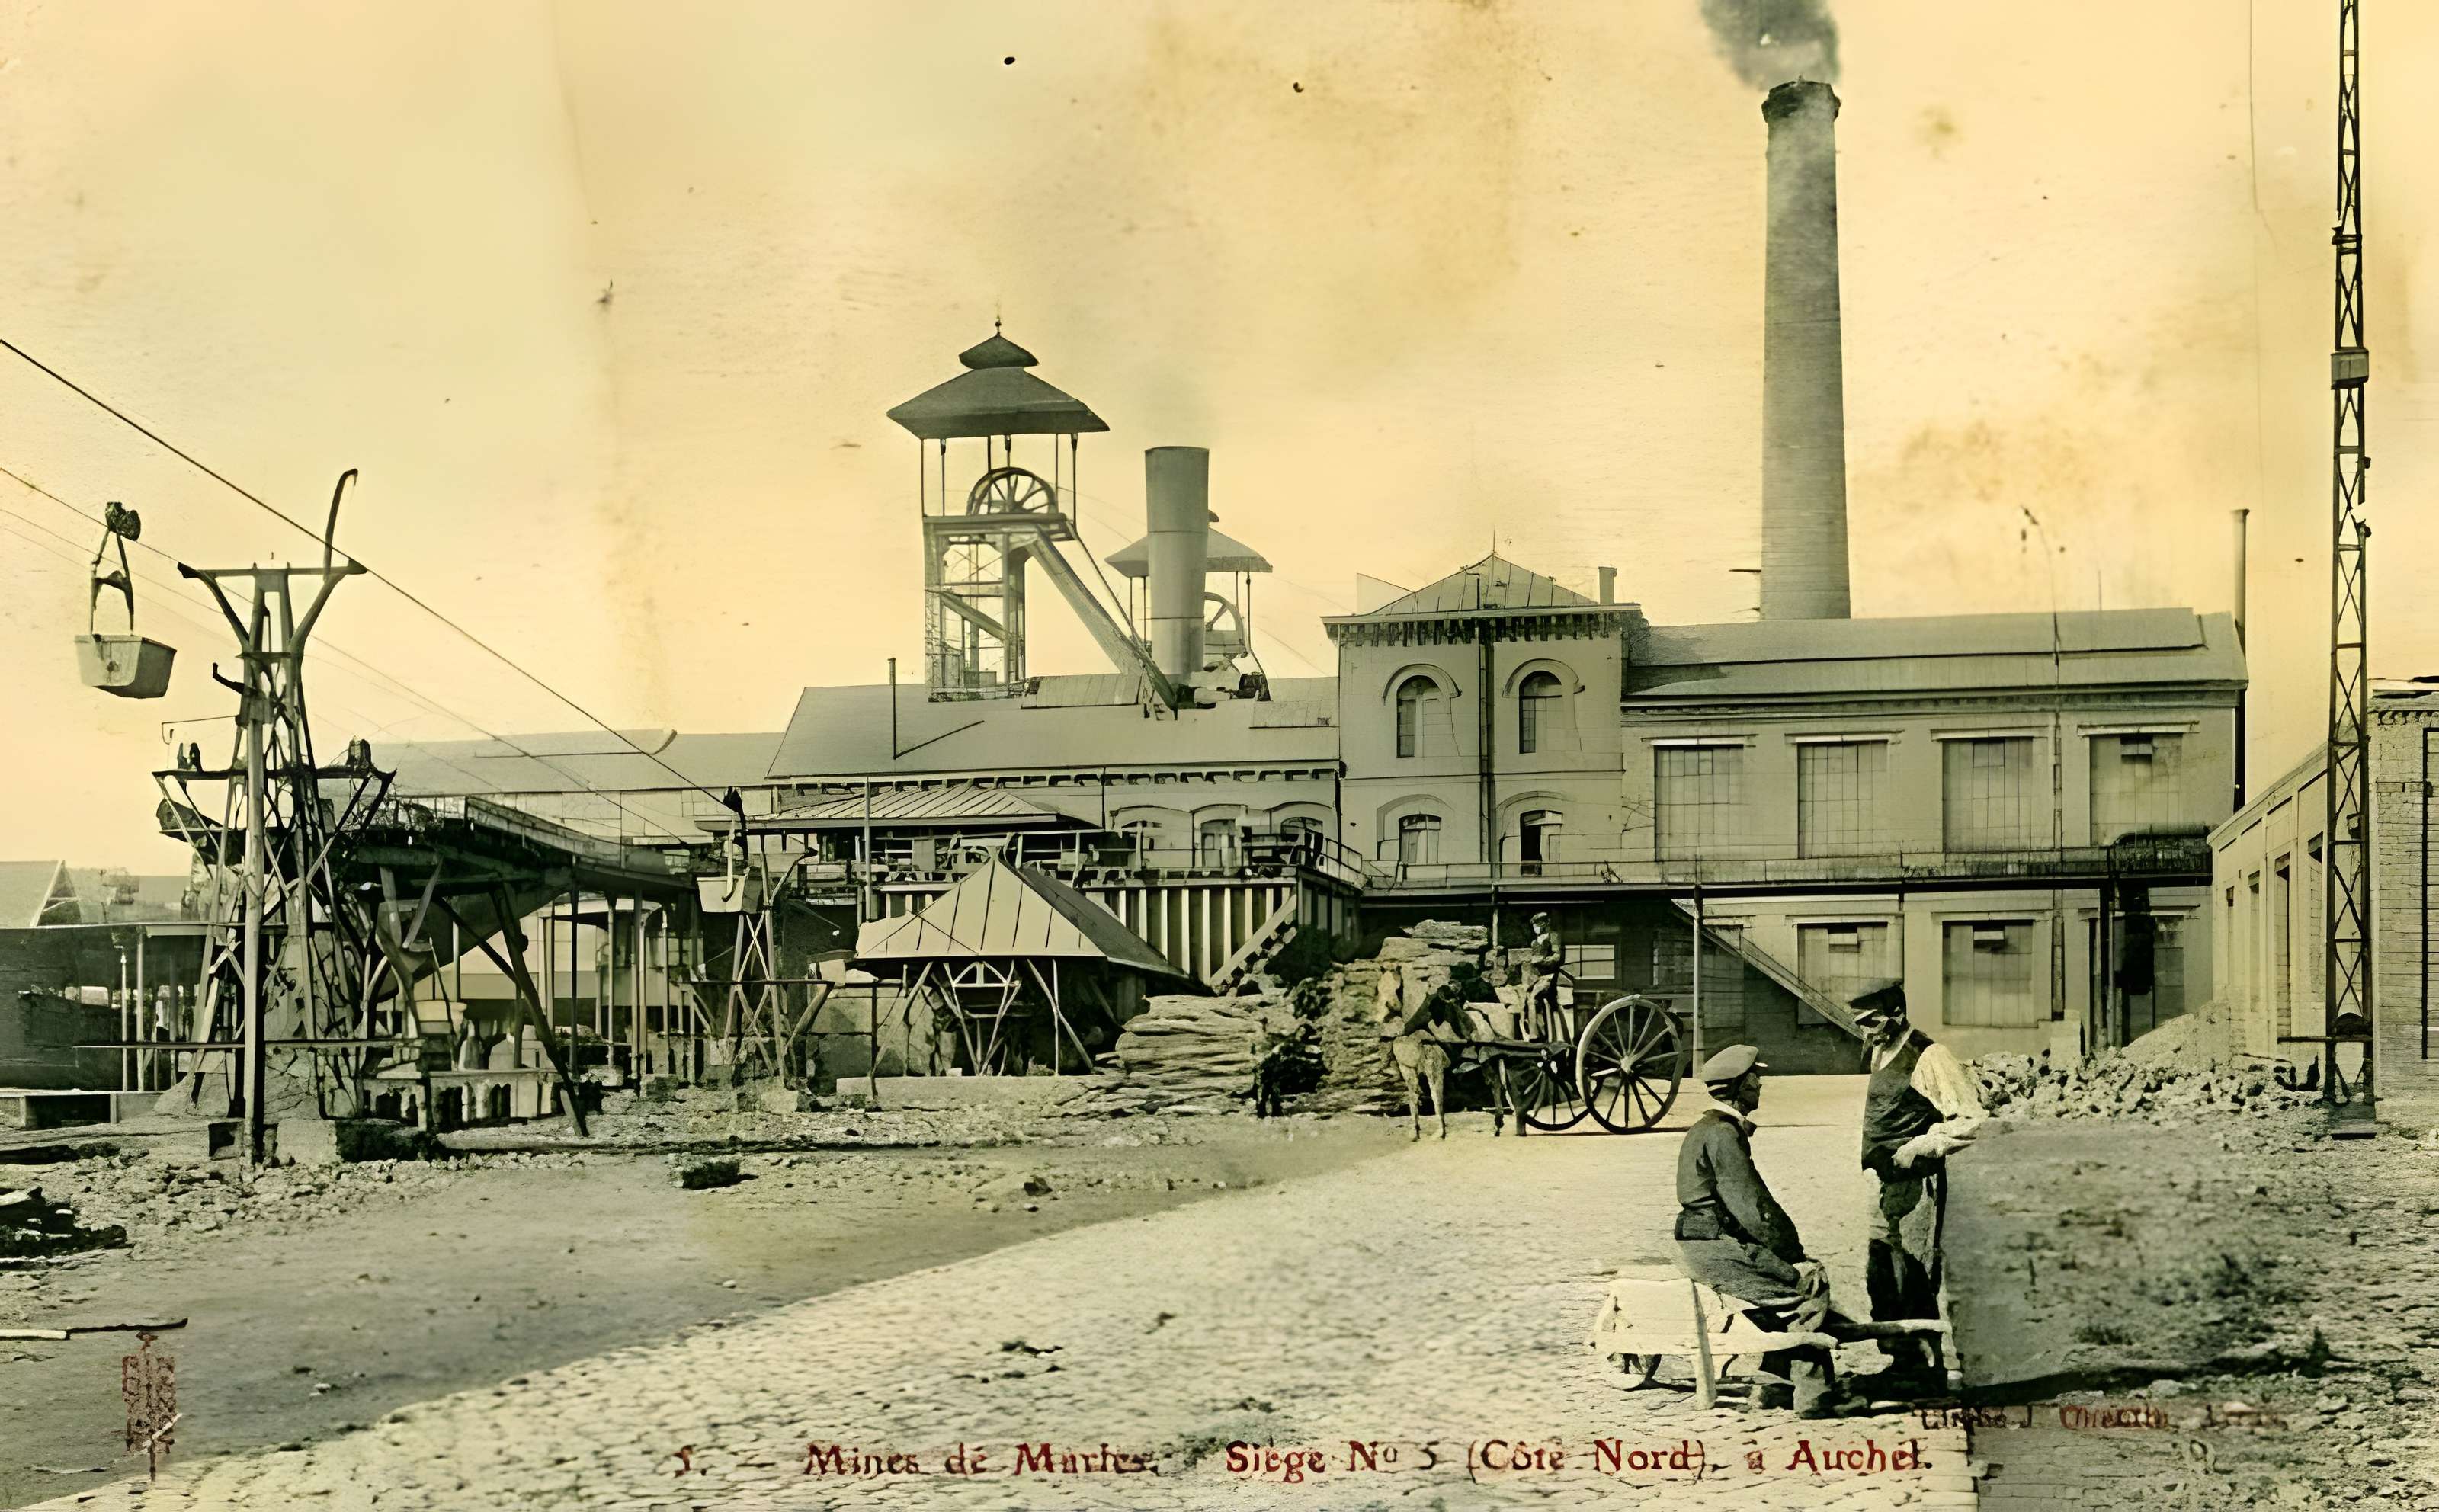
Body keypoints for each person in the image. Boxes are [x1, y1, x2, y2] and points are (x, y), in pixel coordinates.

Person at [1673, 1043, 1860, 1418]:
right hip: (1716, 1247)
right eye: (1755, 1078)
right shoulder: (1724, 1135)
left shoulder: (1707, 1127)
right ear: (1739, 1086)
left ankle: (1772, 1386)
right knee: (1808, 1287)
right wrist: (1794, 1256)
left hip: (1699, 1243)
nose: (1760, 1085)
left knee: (1775, 1294)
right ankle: (1816, 1397)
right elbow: (1752, 1208)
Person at [1848, 980, 1985, 1384]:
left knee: (1915, 1273)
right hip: (1888, 1186)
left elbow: (1972, 1119)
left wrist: (1923, 1145)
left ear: (1896, 1012)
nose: (1865, 1031)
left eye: (1872, 1021)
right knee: (1881, 1270)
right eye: (1859, 1023)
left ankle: (1928, 1367)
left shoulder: (1930, 1056)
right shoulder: (1878, 1051)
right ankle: (1900, 1358)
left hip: (1919, 1185)